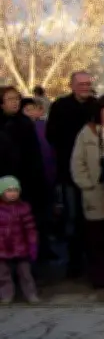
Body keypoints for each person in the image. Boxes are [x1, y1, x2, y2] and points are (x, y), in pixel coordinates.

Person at [46, 71, 97, 278]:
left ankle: (94, 261)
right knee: (73, 218)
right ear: (72, 85)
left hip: (94, 171)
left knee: (93, 217)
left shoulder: (96, 105)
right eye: (81, 83)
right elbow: (52, 135)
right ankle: (74, 263)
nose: (85, 87)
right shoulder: (60, 106)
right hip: (68, 172)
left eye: (88, 83)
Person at [70, 93, 104, 289]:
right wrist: (86, 184)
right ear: (99, 110)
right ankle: (99, 276)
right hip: (95, 190)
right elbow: (77, 161)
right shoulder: (87, 132)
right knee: (95, 238)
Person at [0, 87, 49, 269]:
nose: (15, 102)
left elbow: (34, 156)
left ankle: (28, 272)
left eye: (17, 99)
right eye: (10, 99)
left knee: (24, 228)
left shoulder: (25, 124)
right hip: (2, 183)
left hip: (26, 184)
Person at [0, 176, 39, 304]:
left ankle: (31, 294)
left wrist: (32, 244)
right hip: (2, 248)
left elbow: (30, 229)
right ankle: (7, 294)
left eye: (15, 190)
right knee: (3, 274)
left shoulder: (23, 209)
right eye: (9, 190)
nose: (12, 193)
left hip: (21, 247)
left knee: (25, 273)